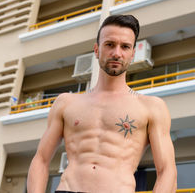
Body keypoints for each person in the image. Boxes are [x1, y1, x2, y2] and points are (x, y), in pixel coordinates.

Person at [27, 15, 177, 193]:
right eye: (110, 44)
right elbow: (41, 159)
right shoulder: (66, 103)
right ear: (97, 50)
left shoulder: (150, 107)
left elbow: (167, 171)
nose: (117, 53)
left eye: (125, 46)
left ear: (132, 53)